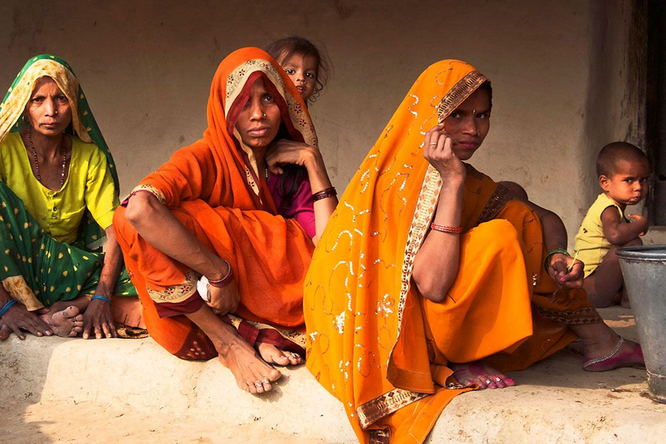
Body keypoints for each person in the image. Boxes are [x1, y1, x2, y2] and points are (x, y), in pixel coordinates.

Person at [303, 60, 644, 443]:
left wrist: (556, 256)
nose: (473, 129)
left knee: (514, 209)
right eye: (457, 115)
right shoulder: (401, 183)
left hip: (440, 317)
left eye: (482, 115)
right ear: (429, 117)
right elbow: (431, 284)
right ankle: (461, 358)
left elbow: (542, 219)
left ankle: (599, 341)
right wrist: (451, 181)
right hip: (403, 333)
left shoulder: (468, 177)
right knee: (497, 236)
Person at [113, 47, 337, 395]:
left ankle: (252, 332)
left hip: (286, 308)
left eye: (268, 99)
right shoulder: (205, 157)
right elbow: (140, 210)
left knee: (281, 235)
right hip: (199, 322)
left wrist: (313, 161)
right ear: (224, 109)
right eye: (244, 102)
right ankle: (231, 344)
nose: (259, 114)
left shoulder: (292, 168)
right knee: (130, 218)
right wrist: (220, 272)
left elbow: (329, 252)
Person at [0, 55, 138, 341]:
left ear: (74, 105)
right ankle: (29, 309)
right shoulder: (4, 150)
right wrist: (6, 306)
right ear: (24, 108)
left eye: (61, 99)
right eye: (38, 100)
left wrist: (101, 297)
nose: (50, 111)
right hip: (13, 270)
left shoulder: (89, 157)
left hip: (67, 272)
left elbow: (116, 230)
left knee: (146, 263)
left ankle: (64, 311)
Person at [573, 142, 650, 308]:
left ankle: (623, 296)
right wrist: (641, 224)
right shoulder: (608, 208)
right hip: (591, 289)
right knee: (633, 244)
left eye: (643, 180)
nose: (638, 187)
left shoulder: (611, 206)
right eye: (629, 180)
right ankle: (631, 301)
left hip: (594, 285)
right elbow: (615, 235)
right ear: (605, 182)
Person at [265, 36, 330, 104]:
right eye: (290, 71)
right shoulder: (263, 110)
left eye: (309, 75)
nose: (301, 78)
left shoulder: (302, 113)